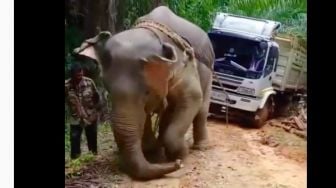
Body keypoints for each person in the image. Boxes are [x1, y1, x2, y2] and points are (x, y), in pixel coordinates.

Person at [65, 63, 100, 159]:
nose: (79, 77)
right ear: (72, 75)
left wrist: (95, 112)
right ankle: (75, 160)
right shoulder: (66, 85)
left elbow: (96, 97)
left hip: (90, 115)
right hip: (75, 117)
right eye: (77, 75)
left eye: (81, 74)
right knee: (74, 139)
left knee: (92, 138)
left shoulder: (89, 82)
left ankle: (93, 157)